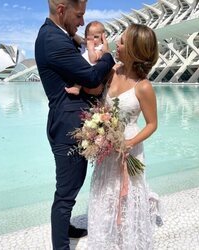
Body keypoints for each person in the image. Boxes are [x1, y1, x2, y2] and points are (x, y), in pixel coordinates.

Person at [34, 0, 115, 249]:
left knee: (72, 184)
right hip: (67, 127)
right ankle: (61, 246)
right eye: (79, 16)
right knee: (66, 193)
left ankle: (66, 228)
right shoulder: (53, 40)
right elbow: (91, 75)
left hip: (69, 121)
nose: (81, 22)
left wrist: (79, 38)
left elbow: (76, 50)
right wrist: (109, 56)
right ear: (61, 10)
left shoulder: (56, 34)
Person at [88, 23, 159, 249]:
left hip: (130, 150)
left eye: (121, 41)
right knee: (105, 194)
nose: (116, 45)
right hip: (108, 148)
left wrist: (129, 142)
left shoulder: (144, 87)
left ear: (134, 48)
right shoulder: (112, 72)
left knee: (128, 199)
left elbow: (152, 124)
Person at [65, 21, 106, 95]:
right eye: (89, 37)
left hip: (90, 71)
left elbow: (93, 59)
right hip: (81, 68)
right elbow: (79, 40)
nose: (92, 40)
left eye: (96, 37)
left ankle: (77, 88)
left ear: (102, 38)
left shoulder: (100, 48)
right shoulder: (86, 44)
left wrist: (91, 48)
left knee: (82, 77)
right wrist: (73, 34)